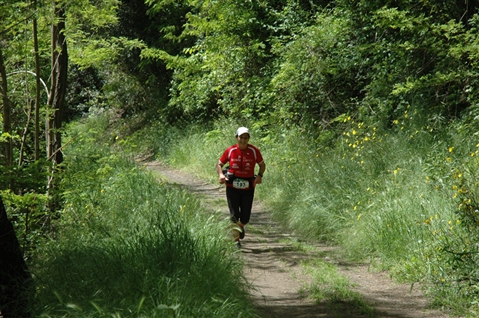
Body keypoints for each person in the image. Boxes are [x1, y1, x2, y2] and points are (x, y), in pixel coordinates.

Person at [216, 127, 266, 248]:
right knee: (234, 215)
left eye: (246, 137)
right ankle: (236, 241)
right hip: (232, 186)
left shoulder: (254, 151)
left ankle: (240, 227)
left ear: (248, 138)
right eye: (241, 137)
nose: (243, 140)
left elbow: (262, 165)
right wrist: (221, 174)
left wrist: (259, 176)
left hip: (248, 187)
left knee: (245, 217)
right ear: (236, 138)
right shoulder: (231, 150)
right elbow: (219, 164)